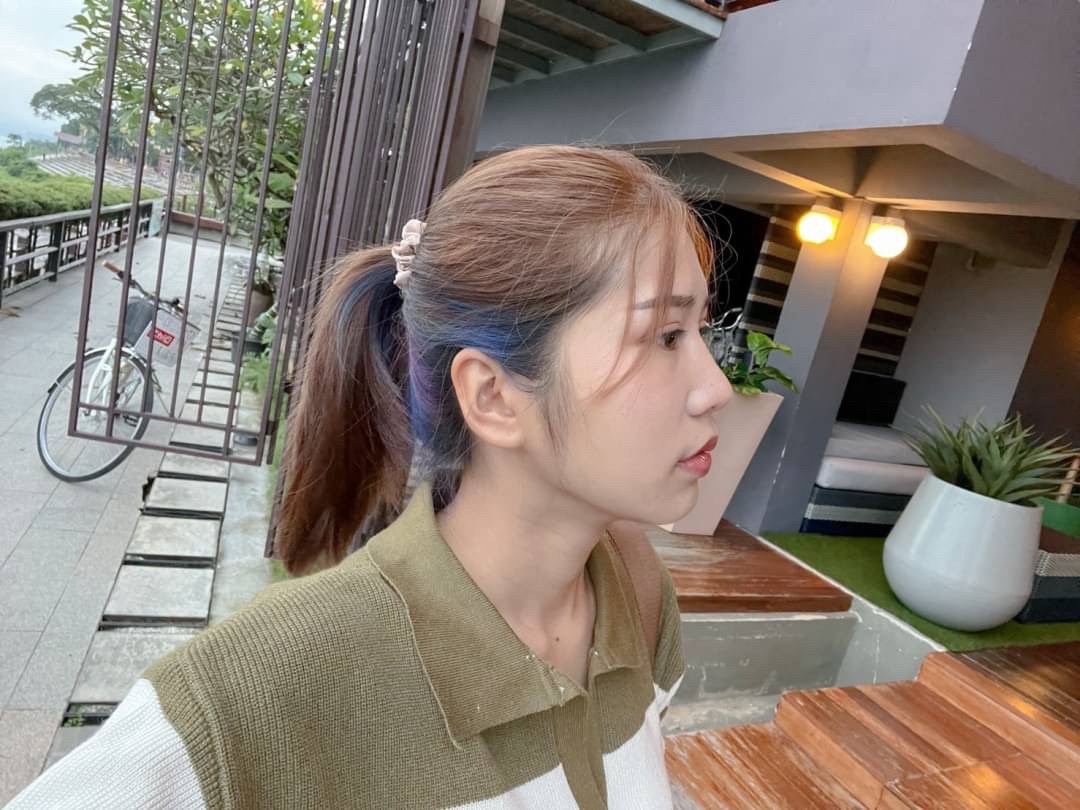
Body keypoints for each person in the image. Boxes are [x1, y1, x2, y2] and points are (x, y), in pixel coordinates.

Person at [8, 144, 732, 809]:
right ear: (493, 396)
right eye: (665, 336)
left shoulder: (635, 589)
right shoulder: (251, 699)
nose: (716, 388)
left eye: (701, 329)